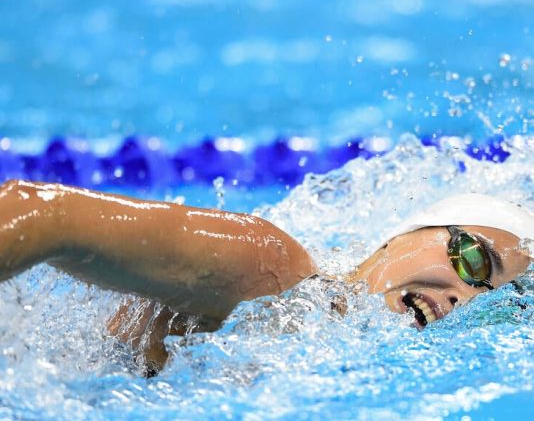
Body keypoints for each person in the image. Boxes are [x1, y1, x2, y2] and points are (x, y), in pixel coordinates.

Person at [0, 180, 532, 375]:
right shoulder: (266, 268)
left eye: (494, 298)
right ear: (403, 235)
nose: (465, 296)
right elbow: (45, 214)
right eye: (473, 260)